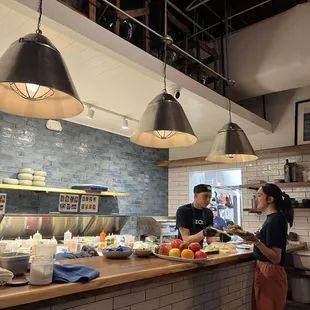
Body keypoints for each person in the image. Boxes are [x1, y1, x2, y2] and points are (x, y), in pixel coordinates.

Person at [240, 183, 294, 310]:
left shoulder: (275, 220)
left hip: (271, 271)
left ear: (270, 199)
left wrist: (256, 241)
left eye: (259, 195)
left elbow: (275, 257)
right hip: (266, 270)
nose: (256, 198)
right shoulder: (272, 218)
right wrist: (253, 240)